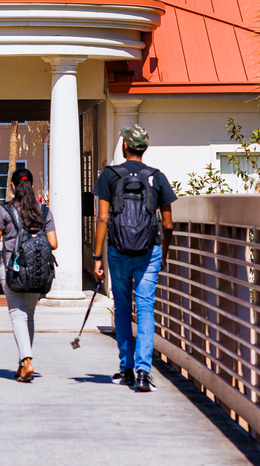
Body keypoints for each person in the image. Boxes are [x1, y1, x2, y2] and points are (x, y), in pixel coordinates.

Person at [92, 126, 176, 393]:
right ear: (145, 147)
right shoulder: (157, 178)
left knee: (123, 308)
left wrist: (97, 257)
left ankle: (126, 368)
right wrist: (165, 251)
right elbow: (168, 223)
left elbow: (103, 218)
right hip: (149, 251)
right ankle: (143, 372)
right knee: (145, 308)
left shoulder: (110, 175)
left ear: (125, 145)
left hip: (117, 250)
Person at [0, 167, 57, 382]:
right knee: (29, 314)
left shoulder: (4, 210)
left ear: (12, 186)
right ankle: (23, 363)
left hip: (12, 269)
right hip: (38, 269)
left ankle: (27, 361)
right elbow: (53, 243)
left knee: (17, 314)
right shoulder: (44, 211)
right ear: (32, 187)